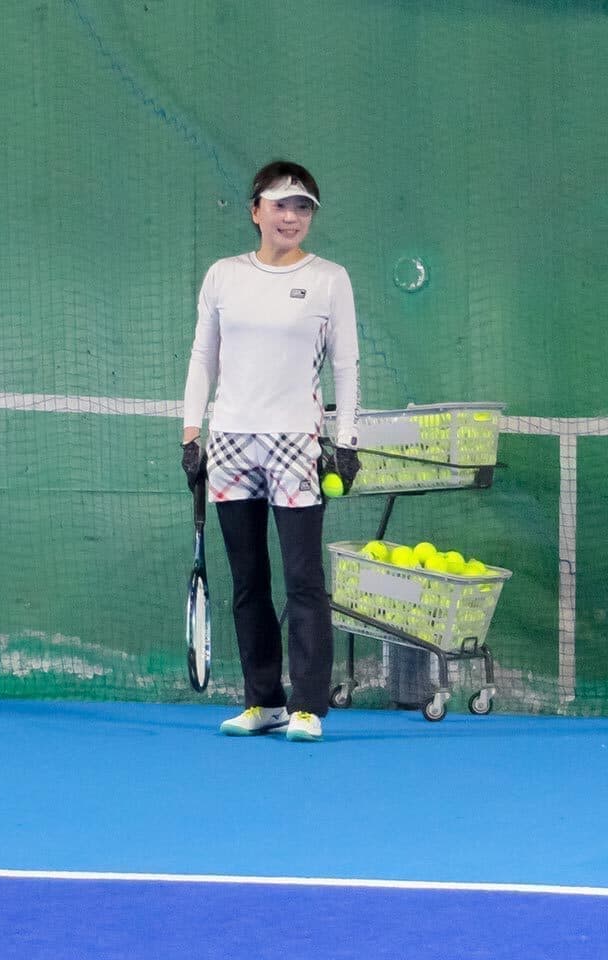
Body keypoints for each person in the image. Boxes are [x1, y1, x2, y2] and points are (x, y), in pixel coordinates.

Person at [180, 159, 360, 743]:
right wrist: (191, 435)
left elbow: (346, 366)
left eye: (303, 207)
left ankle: (308, 706)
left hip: (296, 443)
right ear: (256, 210)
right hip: (231, 441)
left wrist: (346, 441)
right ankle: (264, 701)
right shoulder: (223, 276)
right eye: (281, 205)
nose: (292, 216)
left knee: (304, 578)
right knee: (248, 580)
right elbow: (202, 356)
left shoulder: (330, 279)